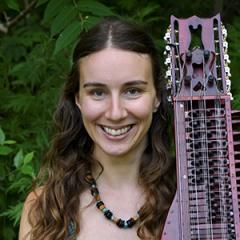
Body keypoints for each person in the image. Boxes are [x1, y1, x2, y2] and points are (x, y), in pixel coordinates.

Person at [19, 17, 176, 240]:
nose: (115, 113)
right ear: (78, 99)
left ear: (157, 98)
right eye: (97, 92)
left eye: (132, 91)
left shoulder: (197, 201)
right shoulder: (45, 209)